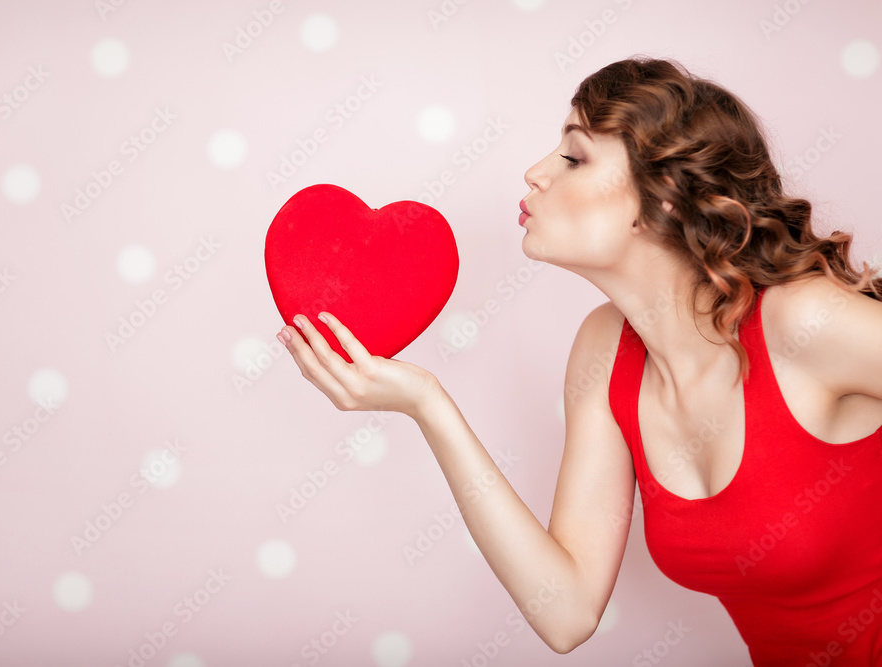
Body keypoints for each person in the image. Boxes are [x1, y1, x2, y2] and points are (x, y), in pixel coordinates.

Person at [273, 56, 882, 665]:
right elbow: (565, 611)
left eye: (574, 156)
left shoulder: (802, 322)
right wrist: (427, 404)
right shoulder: (605, 351)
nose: (535, 173)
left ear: (664, 201)